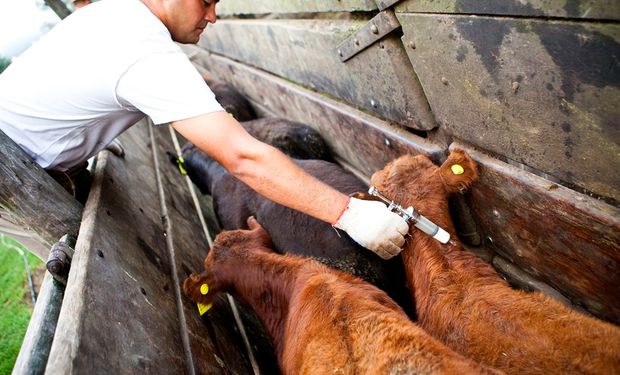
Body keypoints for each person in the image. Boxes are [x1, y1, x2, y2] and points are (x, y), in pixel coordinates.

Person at [0, 0, 409, 260]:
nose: (213, 15)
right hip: (14, 180)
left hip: (26, 146)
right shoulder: (142, 51)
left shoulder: (112, 12)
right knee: (74, 259)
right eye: (205, 1)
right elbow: (243, 157)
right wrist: (349, 213)